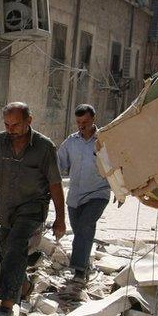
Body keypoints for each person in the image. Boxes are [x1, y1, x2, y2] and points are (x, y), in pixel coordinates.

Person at [0, 102, 66, 316]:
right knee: (7, 253)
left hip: (32, 209)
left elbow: (55, 184)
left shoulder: (44, 147)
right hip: (6, 210)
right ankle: (25, 285)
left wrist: (60, 219)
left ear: (29, 121)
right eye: (7, 125)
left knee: (15, 248)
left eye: (16, 125)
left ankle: (7, 306)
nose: (11, 129)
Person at [57, 104, 111, 283]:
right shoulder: (71, 142)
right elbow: (58, 164)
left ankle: (79, 272)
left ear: (93, 120)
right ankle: (86, 265)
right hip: (75, 197)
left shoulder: (105, 140)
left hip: (98, 193)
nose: (81, 125)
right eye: (79, 122)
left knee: (86, 226)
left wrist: (122, 190)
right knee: (80, 232)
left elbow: (118, 165)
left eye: (85, 122)